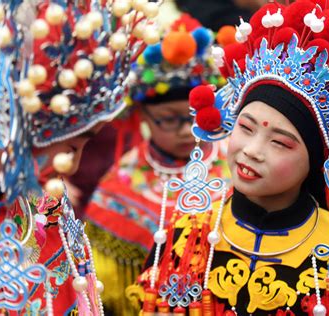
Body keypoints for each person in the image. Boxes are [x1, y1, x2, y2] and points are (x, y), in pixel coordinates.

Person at [129, 0, 329, 314]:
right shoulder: (184, 238)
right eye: (246, 127)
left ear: (319, 159)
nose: (253, 150)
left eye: (280, 143)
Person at [0, 0, 158, 314]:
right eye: (69, 146)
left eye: (83, 146)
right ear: (2, 119)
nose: (70, 166)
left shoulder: (47, 209)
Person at [85, 15, 232, 315]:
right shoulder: (118, 184)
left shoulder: (236, 161)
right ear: (142, 116)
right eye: (168, 119)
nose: (184, 129)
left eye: (194, 116)